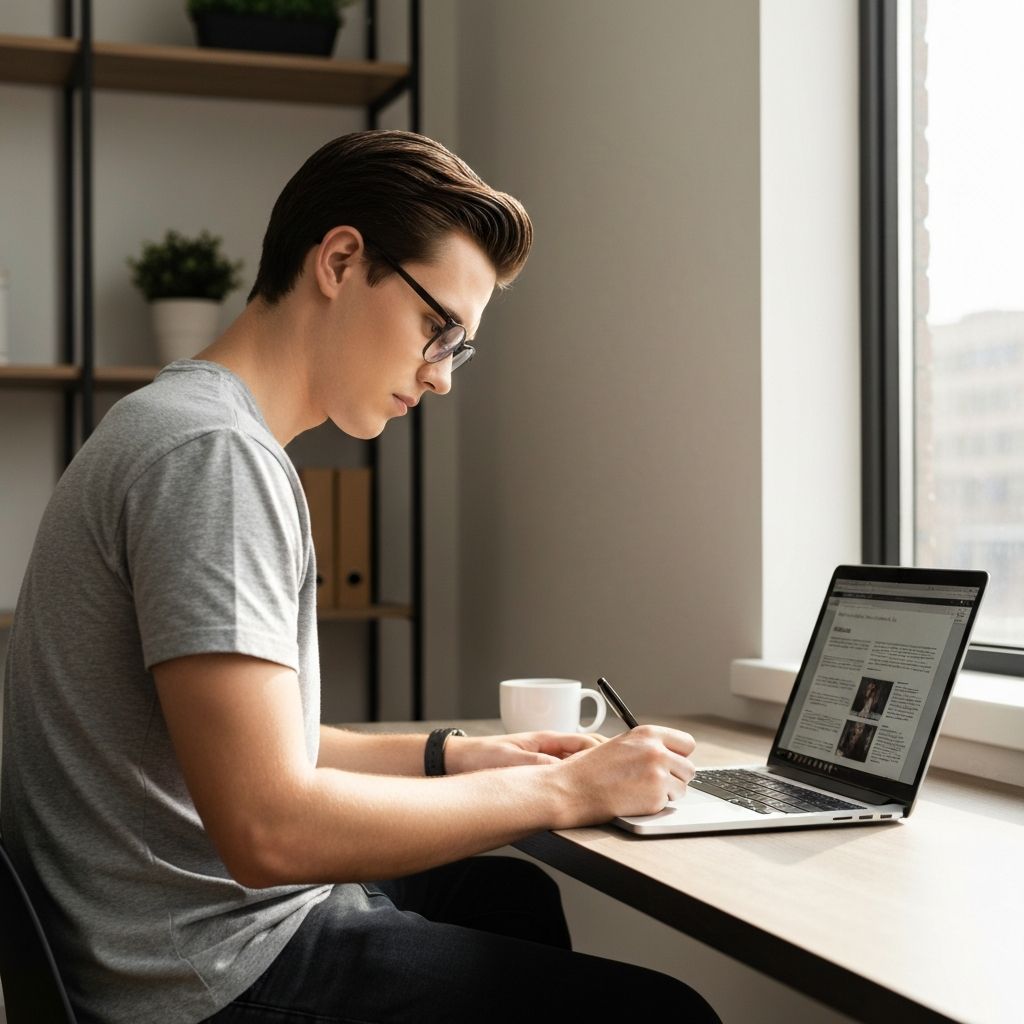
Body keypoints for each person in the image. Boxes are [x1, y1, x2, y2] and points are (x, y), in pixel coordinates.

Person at [1, 131, 718, 1024]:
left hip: (160, 934)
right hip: (200, 975)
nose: (442, 377)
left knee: (511, 899)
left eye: (459, 348)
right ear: (340, 261)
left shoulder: (185, 424)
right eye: (438, 329)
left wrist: (454, 756)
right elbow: (270, 826)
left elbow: (263, 747)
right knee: (666, 1014)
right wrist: (569, 789)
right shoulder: (213, 458)